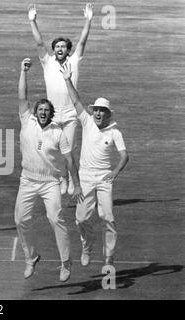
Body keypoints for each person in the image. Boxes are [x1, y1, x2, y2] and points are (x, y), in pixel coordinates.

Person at [14, 58, 83, 282]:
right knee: (20, 220)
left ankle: (65, 262)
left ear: (50, 114)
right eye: (40, 109)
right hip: (27, 180)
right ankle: (31, 257)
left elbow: (69, 159)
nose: (43, 112)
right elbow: (22, 96)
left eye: (46, 110)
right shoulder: (27, 120)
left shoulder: (58, 132)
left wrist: (76, 183)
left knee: (56, 219)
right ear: (35, 112)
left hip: (50, 182)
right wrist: (23, 72)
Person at [60, 63, 129, 266]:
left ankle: (108, 257)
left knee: (107, 216)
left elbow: (125, 156)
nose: (98, 113)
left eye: (102, 111)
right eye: (96, 110)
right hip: (86, 177)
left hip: (104, 178)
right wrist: (67, 79)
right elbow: (75, 100)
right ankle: (87, 245)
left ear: (108, 114)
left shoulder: (115, 132)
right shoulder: (87, 121)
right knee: (81, 219)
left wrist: (114, 173)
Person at [28, 3, 94, 195]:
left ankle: (73, 182)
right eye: (57, 46)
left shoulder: (74, 61)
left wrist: (89, 20)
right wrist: (33, 21)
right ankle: (62, 179)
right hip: (52, 114)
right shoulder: (47, 62)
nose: (59, 49)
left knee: (69, 151)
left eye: (63, 47)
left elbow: (82, 42)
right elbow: (40, 44)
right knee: (54, 151)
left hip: (72, 114)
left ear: (68, 50)